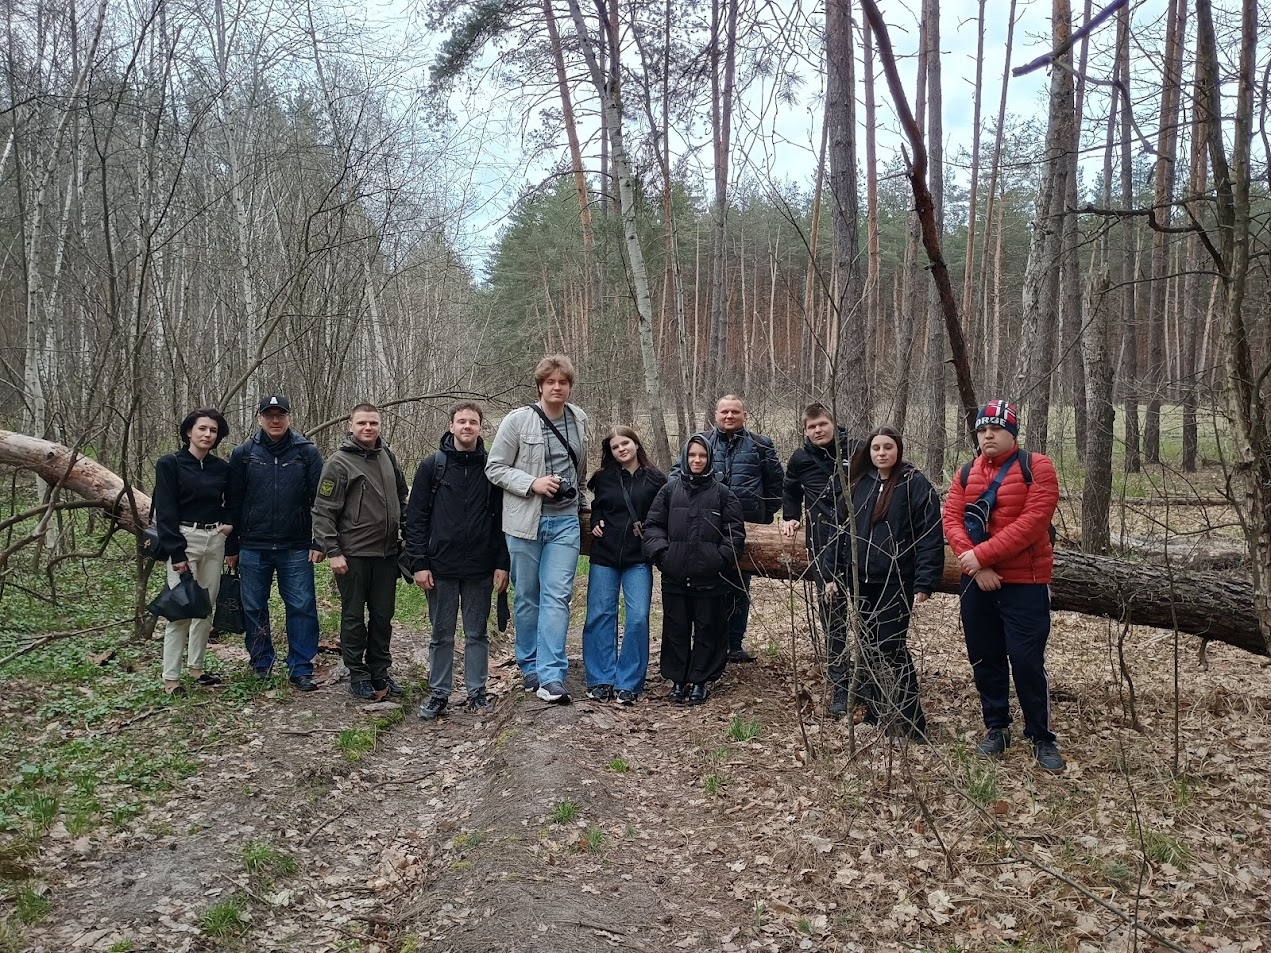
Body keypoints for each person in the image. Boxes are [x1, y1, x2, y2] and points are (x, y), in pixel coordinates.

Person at [943, 399, 1065, 773]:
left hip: (1025, 582)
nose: (988, 435)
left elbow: (1032, 524)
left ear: (1012, 432)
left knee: (1027, 661)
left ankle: (1041, 735)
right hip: (976, 582)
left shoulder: (1038, 467)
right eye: (982, 429)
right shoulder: (966, 472)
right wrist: (975, 566)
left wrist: (982, 557)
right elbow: (951, 518)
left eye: (995, 428)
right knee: (985, 658)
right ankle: (996, 727)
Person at [486, 355, 589, 705]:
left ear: (569, 386)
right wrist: (533, 483)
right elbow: (495, 468)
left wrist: (582, 503)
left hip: (565, 523)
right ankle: (528, 663)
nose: (557, 387)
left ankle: (552, 674)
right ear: (540, 386)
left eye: (563, 382)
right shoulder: (518, 420)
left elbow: (580, 470)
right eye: (551, 382)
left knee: (557, 597)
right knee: (527, 596)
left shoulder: (579, 420)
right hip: (524, 523)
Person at [406, 401, 510, 720]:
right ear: (451, 426)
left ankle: (477, 692)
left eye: (473, 422)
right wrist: (419, 563)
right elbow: (416, 518)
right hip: (441, 567)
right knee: (442, 633)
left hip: (480, 566)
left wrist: (502, 563)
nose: (467, 426)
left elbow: (504, 520)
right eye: (461, 421)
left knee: (477, 633)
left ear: (481, 428)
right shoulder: (431, 467)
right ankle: (439, 693)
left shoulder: (493, 468)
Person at [843, 426, 943, 739]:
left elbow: (930, 536)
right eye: (876, 448)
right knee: (869, 648)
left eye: (888, 447)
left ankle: (912, 723)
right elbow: (842, 533)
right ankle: (874, 711)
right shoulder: (859, 483)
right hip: (862, 581)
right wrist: (838, 573)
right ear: (869, 453)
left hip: (896, 581)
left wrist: (924, 582)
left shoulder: (914, 484)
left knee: (892, 649)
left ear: (897, 449)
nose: (882, 453)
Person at [226, 394, 325, 691]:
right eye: (269, 415)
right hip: (252, 545)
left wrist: (318, 541)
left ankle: (301, 667)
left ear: (289, 417)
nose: (275, 420)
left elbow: (320, 501)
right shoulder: (244, 453)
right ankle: (261, 662)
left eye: (280, 414)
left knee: (302, 606)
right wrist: (231, 546)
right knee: (254, 606)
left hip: (295, 545)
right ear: (259, 419)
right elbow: (233, 502)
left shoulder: (306, 452)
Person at [674, 395, 783, 663]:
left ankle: (734, 644)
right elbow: (677, 475)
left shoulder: (760, 445)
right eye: (725, 412)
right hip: (704, 527)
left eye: (735, 412)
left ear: (745, 415)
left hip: (745, 529)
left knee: (739, 587)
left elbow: (776, 484)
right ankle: (707, 643)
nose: (730, 416)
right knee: (706, 587)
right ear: (716, 414)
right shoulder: (702, 442)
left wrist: (763, 516)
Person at [312, 403, 409, 701]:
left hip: (387, 554)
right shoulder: (338, 463)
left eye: (373, 423)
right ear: (351, 426)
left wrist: (409, 535)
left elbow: (401, 497)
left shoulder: (387, 457)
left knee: (382, 616)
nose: (368, 428)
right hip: (352, 554)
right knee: (354, 616)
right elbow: (323, 511)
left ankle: (380, 670)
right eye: (362, 423)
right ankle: (358, 673)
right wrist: (333, 551)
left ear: (380, 425)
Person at [643, 435, 746, 705]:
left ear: (709, 458)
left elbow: (734, 533)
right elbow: (652, 526)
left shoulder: (723, 493)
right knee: (676, 628)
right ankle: (677, 680)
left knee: (707, 628)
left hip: (710, 577)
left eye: (702, 456)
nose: (697, 460)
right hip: (675, 573)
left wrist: (719, 559)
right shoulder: (669, 490)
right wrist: (663, 556)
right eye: (692, 456)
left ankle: (700, 681)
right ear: (685, 458)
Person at [780, 403, 863, 717]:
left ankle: (869, 682)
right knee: (834, 622)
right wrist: (790, 517)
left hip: (859, 547)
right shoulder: (801, 459)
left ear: (833, 423)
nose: (818, 430)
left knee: (867, 619)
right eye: (811, 426)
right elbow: (790, 490)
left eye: (822, 424)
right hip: (822, 549)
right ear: (805, 429)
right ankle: (841, 687)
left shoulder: (857, 451)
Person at [152, 408, 237, 696]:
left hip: (214, 540)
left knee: (205, 608)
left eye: (213, 431)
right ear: (189, 431)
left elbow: (233, 500)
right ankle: (171, 679)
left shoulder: (221, 468)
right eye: (202, 429)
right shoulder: (170, 464)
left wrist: (227, 526)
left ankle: (197, 668)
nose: (207, 434)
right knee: (180, 610)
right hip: (184, 540)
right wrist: (176, 553)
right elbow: (164, 510)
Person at [581, 426, 666, 704]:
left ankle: (629, 681)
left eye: (625, 443)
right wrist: (595, 521)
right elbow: (599, 508)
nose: (621, 450)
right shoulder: (603, 478)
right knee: (599, 615)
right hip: (605, 554)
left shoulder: (655, 479)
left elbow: (661, 515)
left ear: (636, 444)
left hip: (638, 557)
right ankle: (601, 678)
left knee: (639, 617)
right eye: (615, 447)